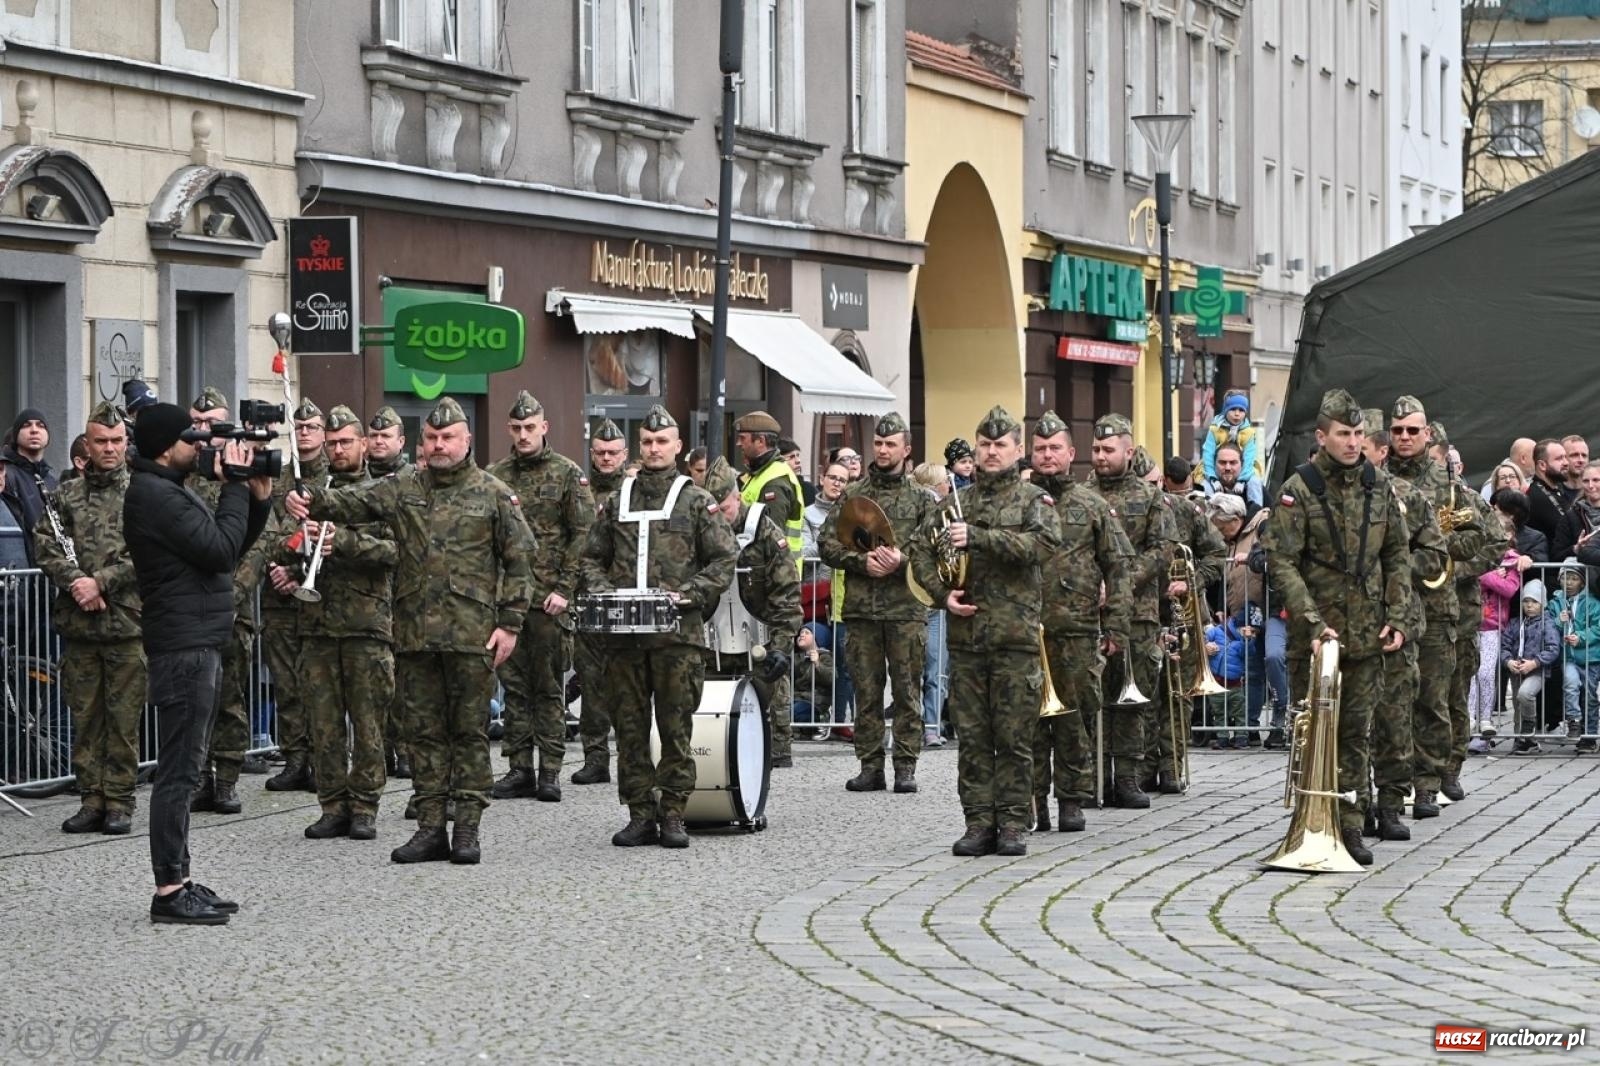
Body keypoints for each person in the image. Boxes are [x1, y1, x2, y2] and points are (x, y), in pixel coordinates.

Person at [286, 396, 536, 865]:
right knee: (423, 734)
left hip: (471, 635)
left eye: (448, 438)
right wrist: (311, 497)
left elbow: (521, 559)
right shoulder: (404, 486)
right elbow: (355, 500)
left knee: (468, 733)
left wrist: (510, 624)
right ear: (422, 443)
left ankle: (466, 827)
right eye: (433, 438)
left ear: (467, 441)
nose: (440, 445)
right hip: (415, 635)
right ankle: (429, 826)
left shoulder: (492, 493)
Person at [124, 402, 272, 924]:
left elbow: (227, 549)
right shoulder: (153, 496)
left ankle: (180, 877)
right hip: (183, 645)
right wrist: (232, 484)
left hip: (196, 638)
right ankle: (168, 891)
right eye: (192, 439)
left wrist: (256, 502)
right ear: (167, 447)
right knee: (179, 772)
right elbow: (218, 551)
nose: (201, 447)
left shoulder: (169, 490)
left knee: (186, 769)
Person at [1263, 388, 1412, 867]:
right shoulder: (1299, 488)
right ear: (1322, 436)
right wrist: (1310, 622)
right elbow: (1282, 562)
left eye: (1358, 434)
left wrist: (1398, 615)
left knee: (1355, 733)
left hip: (1368, 630)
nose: (1353, 443)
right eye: (1343, 434)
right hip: (1317, 633)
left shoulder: (1379, 485)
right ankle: (1309, 819)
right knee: (1312, 731)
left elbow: (1396, 554)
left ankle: (1348, 825)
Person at [577, 405, 737, 849]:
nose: (653, 449)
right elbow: (591, 557)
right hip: (624, 638)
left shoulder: (695, 499)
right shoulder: (617, 500)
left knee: (675, 728)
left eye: (661, 441)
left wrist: (690, 593)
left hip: (676, 637)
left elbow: (724, 558)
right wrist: (604, 591)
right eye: (647, 442)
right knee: (628, 728)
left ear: (677, 446)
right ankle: (639, 814)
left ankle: (673, 813)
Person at [912, 406, 1061, 857]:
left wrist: (980, 537)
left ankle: (1014, 821)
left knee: (1014, 737)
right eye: (985, 445)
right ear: (975, 450)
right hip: (968, 638)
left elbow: (1043, 545)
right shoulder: (956, 503)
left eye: (1000, 445)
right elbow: (918, 551)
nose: (991, 452)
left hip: (1015, 638)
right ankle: (978, 822)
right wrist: (942, 595)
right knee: (974, 738)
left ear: (1017, 451)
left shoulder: (1034, 501)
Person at [282, 406, 397, 841]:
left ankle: (365, 804)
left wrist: (343, 543)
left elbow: (395, 550)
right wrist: (298, 543)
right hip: (316, 623)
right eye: (331, 444)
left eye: (346, 441)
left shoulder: (382, 492)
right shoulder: (309, 493)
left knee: (368, 723)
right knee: (323, 723)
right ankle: (332, 804)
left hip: (366, 625)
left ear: (364, 444)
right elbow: (277, 543)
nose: (337, 450)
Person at [37, 402, 144, 837]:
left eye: (117, 441)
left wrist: (101, 581)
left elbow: (150, 551)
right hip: (80, 626)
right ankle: (91, 798)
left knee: (123, 721)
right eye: (101, 441)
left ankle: (119, 800)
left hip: (126, 625)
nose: (110, 449)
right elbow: (45, 543)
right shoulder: (66, 495)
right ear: (88, 443)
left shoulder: (142, 492)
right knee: (85, 718)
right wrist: (77, 582)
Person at [818, 412, 935, 794]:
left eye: (891, 444)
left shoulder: (921, 498)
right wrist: (859, 561)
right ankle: (870, 765)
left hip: (905, 609)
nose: (883, 450)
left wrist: (904, 560)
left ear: (907, 448)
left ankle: (905, 765)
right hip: (862, 609)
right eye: (879, 444)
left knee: (906, 689)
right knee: (866, 691)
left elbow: (937, 546)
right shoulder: (854, 493)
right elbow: (826, 543)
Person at [486, 391, 594, 803]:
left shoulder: (567, 474)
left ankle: (549, 769)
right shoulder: (496, 476)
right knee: (513, 688)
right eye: (516, 428)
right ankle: (518, 769)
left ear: (544, 427)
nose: (524, 434)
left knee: (549, 688)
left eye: (530, 427)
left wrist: (565, 589)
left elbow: (582, 536)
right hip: (509, 601)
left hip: (549, 601)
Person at [1028, 411, 1132, 833]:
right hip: (1026, 632)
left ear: (1071, 453)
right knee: (1030, 724)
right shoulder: (1021, 502)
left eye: (1055, 448)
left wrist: (1118, 627)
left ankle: (1072, 798)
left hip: (1077, 629)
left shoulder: (1092, 506)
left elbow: (1118, 567)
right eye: (1040, 449)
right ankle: (1034, 803)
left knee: (1074, 719)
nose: (1047, 455)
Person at [1386, 396, 1485, 814]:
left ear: (1427, 434)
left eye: (1413, 430)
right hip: (1392, 604)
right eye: (1398, 430)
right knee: (1392, 699)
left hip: (1438, 604)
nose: (1405, 437)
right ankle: (1393, 781)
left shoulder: (1448, 482)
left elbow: (1478, 536)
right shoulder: (1376, 478)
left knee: (1432, 697)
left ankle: (1427, 783)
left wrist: (1437, 545)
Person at [185, 387, 272, 814]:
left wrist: (230, 595)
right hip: (191, 606)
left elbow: (257, 543)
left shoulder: (243, 470)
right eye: (197, 423)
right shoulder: (185, 474)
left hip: (230, 609)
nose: (204, 431)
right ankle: (198, 777)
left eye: (212, 423)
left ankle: (227, 779)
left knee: (230, 697)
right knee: (194, 700)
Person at [1088, 415, 1178, 809]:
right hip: (1090, 612)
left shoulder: (1150, 497)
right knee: (1092, 696)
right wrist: (1093, 583)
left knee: (1132, 697)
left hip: (1138, 614)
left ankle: (1128, 776)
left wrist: (1120, 579)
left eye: (1109, 450)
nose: (1102, 456)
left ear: (1129, 450)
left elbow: (1163, 549)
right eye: (1096, 449)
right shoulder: (1081, 495)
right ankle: (1094, 778)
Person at [1360, 408, 1441, 842]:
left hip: (1398, 622)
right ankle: (1354, 805)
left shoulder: (1406, 494)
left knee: (1394, 721)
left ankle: (1391, 803)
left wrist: (1394, 566)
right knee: (1354, 726)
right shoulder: (1326, 496)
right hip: (1349, 624)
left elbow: (1435, 555)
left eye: (1362, 440)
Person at [702, 456, 802, 765]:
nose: (720, 517)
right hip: (713, 639)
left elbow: (786, 594)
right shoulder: (702, 529)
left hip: (761, 639)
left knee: (772, 750)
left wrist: (783, 647)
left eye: (725, 509)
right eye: (714, 512)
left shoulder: (765, 532)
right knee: (713, 735)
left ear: (737, 496)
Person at [262, 399, 329, 793]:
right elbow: (267, 533)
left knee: (318, 686)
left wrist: (298, 571)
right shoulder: (279, 480)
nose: (304, 432)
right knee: (286, 685)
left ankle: (322, 759)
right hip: (279, 600)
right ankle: (295, 758)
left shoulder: (335, 478)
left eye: (312, 426)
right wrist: (279, 569)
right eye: (299, 426)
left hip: (318, 596)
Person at [1153, 453, 1225, 782]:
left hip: (1182, 611)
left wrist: (1191, 580)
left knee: (1178, 692)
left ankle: (1172, 767)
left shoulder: (1187, 511)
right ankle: (1140, 769)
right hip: (1142, 610)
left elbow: (1216, 553)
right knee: (1146, 693)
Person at [570, 418, 629, 785]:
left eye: (613, 453)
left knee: (626, 682)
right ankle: (595, 757)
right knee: (591, 680)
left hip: (624, 600)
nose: (606, 458)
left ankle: (630, 753)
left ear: (624, 455)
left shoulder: (636, 491)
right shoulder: (581, 492)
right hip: (588, 599)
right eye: (601, 453)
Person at [911, 462, 952, 747]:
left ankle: (931, 724)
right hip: (916, 596)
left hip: (935, 597)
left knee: (934, 665)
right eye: (945, 481)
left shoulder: (948, 512)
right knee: (926, 665)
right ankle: (926, 727)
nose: (949, 485)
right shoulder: (921, 508)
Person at [734, 411, 804, 559]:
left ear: (760, 441)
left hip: (775, 575)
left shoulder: (775, 482)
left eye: (742, 438)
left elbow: (771, 538)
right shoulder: (762, 473)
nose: (738, 444)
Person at [1503, 579, 1561, 754]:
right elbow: (1504, 645)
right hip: (1517, 670)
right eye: (1526, 601)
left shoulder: (1547, 623)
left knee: (1525, 694)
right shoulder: (1515, 623)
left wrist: (1535, 662)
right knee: (1518, 706)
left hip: (1537, 669)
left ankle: (1529, 729)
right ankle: (1523, 740)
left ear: (1542, 603)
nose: (1529, 606)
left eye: (1534, 601)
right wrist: (1508, 661)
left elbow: (1553, 648)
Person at [1548, 558, 1600, 752]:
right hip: (1568, 656)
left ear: (1582, 581)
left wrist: (1581, 637)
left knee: (1590, 695)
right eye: (1564, 578)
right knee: (1570, 684)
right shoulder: (1556, 602)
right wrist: (1559, 622)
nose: (1568, 583)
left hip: (1590, 657)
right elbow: (1548, 627)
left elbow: (1598, 627)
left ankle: (1590, 735)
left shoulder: (1593, 602)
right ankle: (1574, 720)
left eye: (1573, 578)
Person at [1, 408, 56, 555]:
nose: (34, 430)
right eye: (26, 425)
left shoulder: (51, 480)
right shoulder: (5, 474)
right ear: (16, 434)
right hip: (20, 566)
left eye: (40, 425)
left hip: (51, 567)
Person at [1202, 613, 1251, 748]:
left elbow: (1249, 653)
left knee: (1239, 712)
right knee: (1218, 712)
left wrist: (1248, 640)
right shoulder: (1216, 631)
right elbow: (1202, 639)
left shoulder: (1243, 641)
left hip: (1235, 683)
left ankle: (1241, 737)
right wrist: (1206, 645)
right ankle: (1222, 737)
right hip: (1217, 682)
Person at [1525, 439, 1573, 545]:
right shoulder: (1535, 497)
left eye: (1565, 457)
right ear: (1542, 465)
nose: (1566, 463)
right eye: (1559, 459)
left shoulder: (1557, 490)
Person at [1551, 461, 1600, 563]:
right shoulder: (1571, 516)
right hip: (1583, 576)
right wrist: (1576, 549)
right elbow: (1556, 555)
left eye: (1596, 480)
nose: (1591, 485)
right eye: (1586, 481)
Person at [1202, 442, 1264, 518]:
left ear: (1242, 465)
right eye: (1222, 463)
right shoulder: (1202, 488)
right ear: (1214, 465)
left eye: (1233, 463)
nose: (1227, 468)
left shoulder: (1254, 488)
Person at [790, 627, 834, 733]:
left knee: (792, 712)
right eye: (800, 633)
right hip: (797, 698)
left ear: (817, 638)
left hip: (814, 701)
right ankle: (808, 726)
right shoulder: (797, 658)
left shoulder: (825, 657)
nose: (802, 635)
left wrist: (817, 663)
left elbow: (830, 677)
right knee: (782, 712)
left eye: (807, 632)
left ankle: (820, 720)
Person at [365, 406, 410, 477]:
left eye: (385, 436)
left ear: (401, 442)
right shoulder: (356, 476)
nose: (378, 441)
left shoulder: (413, 478)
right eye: (373, 435)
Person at [779, 437, 816, 506]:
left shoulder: (808, 489)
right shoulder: (775, 488)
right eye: (791, 457)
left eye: (798, 455)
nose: (798, 461)